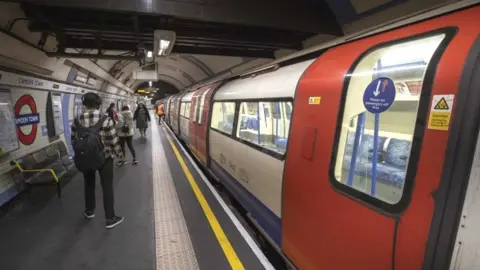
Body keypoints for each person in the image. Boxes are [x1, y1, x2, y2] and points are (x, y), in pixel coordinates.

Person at [71, 92, 125, 229]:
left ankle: (89, 211)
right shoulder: (105, 119)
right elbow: (113, 140)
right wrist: (120, 155)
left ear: (84, 104)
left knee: (88, 184)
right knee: (107, 187)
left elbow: (73, 141)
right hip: (105, 157)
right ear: (98, 104)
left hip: (86, 157)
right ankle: (110, 218)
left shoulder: (76, 121)